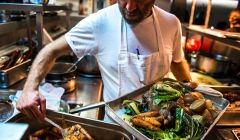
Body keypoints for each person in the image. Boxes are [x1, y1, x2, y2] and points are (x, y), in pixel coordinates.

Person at [17, 0, 198, 121]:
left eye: (140, 0)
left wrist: (187, 85)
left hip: (163, 123)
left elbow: (176, 61)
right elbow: (50, 50)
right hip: (118, 126)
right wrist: (28, 89)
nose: (130, 7)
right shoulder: (100, 23)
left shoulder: (171, 23)